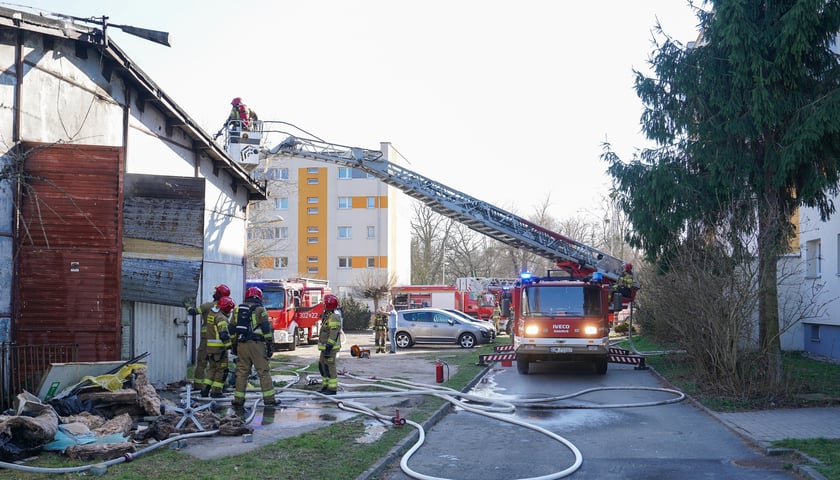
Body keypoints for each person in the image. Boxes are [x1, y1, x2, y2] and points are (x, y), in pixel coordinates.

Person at [230, 286, 277, 407]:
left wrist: (234, 345)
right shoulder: (261, 309)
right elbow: (266, 329)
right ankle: (269, 400)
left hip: (241, 344)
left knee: (241, 373)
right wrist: (270, 345)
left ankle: (238, 400)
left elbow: (231, 328)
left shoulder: (237, 309)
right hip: (257, 345)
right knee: (263, 372)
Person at [187, 283, 230, 397]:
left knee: (202, 363)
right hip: (219, 341)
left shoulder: (207, 306)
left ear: (218, 294)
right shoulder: (225, 307)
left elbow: (192, 312)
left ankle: (199, 386)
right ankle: (221, 386)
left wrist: (187, 305)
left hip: (206, 340)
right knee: (220, 365)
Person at [203, 296, 235, 398]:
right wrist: (230, 347)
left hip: (210, 348)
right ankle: (216, 392)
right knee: (222, 370)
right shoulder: (221, 318)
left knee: (211, 369)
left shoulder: (212, 314)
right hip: (219, 349)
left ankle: (204, 390)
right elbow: (224, 335)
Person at [317, 294, 342, 395]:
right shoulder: (328, 316)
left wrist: (329, 347)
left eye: (324, 303)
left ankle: (332, 388)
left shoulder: (334, 317)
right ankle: (325, 385)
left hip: (330, 348)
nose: (323, 305)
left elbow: (334, 333)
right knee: (322, 365)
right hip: (325, 347)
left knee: (330, 366)